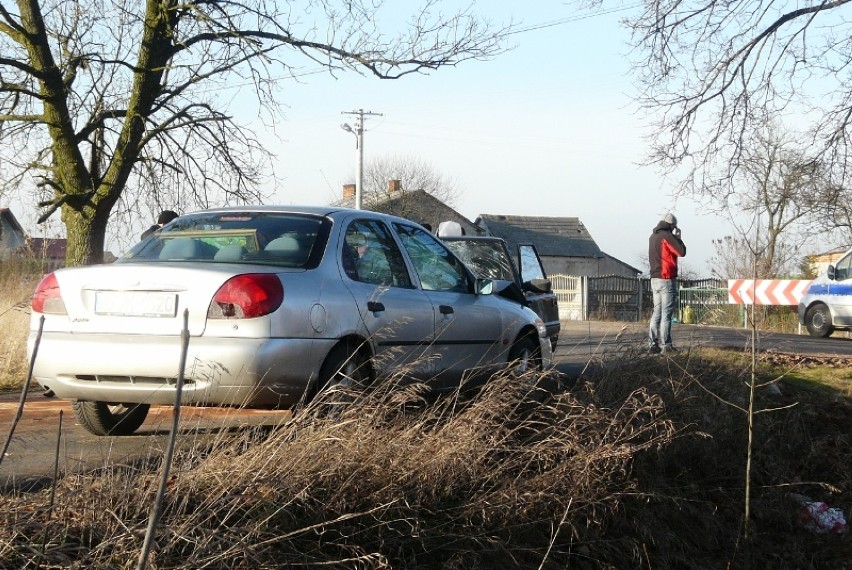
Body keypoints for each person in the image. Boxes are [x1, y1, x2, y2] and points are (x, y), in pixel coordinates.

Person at [648, 212, 686, 354]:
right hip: (666, 278)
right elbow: (681, 252)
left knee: (656, 312)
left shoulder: (652, 237)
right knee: (666, 314)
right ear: (672, 225)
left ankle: (652, 344)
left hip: (654, 279)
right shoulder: (667, 236)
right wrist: (679, 238)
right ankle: (666, 345)